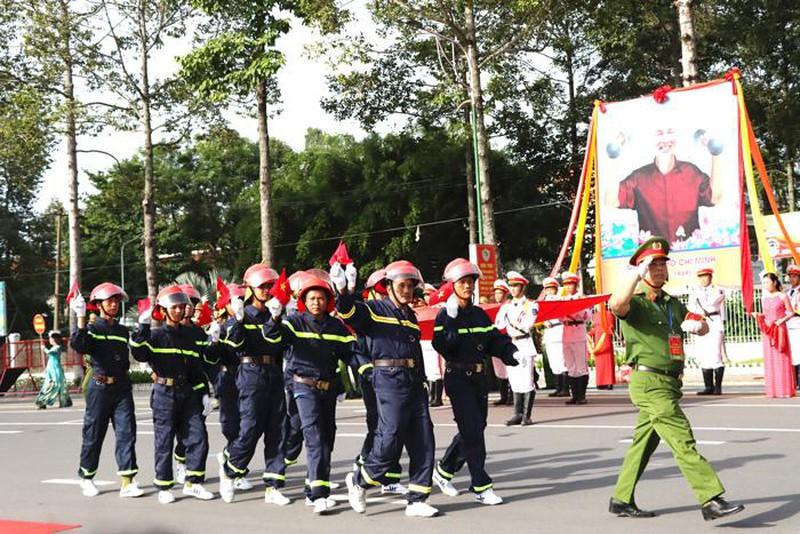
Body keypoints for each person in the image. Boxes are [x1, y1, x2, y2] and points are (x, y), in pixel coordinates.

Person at [608, 236, 744, 521]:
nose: (659, 269)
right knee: (682, 439)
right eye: (652, 265)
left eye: (662, 264)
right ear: (642, 269)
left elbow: (701, 322)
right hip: (649, 382)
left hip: (670, 382)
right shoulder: (636, 302)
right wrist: (635, 274)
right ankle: (710, 498)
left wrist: (699, 325)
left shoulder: (672, 303)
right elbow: (616, 305)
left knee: (643, 443)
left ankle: (621, 499)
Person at [336, 259, 439, 518]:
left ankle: (417, 498)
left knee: (423, 438)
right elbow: (350, 314)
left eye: (410, 286)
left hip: (414, 380)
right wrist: (344, 292)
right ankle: (360, 480)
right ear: (388, 286)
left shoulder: (410, 316)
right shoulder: (374, 309)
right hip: (388, 377)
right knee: (390, 436)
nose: (407, 290)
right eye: (401, 285)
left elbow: (415, 350)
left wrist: (424, 379)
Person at [431, 259, 519, 505]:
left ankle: (444, 470)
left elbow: (493, 340)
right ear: (453, 285)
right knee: (472, 431)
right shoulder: (445, 315)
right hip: (458, 378)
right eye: (463, 282)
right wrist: (449, 320)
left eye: (471, 281)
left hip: (479, 379)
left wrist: (510, 352)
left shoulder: (479, 314)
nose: (468, 286)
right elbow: (443, 346)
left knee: (475, 428)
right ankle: (481, 484)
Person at [271, 275, 357, 514]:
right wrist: (275, 318)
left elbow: (349, 352)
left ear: (328, 301)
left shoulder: (336, 326)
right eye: (312, 298)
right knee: (314, 435)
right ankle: (319, 495)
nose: (316, 302)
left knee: (328, 436)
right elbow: (273, 338)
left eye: (321, 298)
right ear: (304, 301)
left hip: (327, 388)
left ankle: (313, 487)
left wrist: (364, 371)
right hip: (302, 386)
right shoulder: (293, 322)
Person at [130, 285, 214, 504]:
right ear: (164, 310)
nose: (179, 310)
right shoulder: (156, 336)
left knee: (198, 437)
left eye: (181, 307)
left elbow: (196, 368)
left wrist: (204, 393)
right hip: (164, 393)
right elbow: (139, 353)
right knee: (164, 441)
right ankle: (164, 486)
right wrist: (142, 327)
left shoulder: (190, 336)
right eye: (174, 307)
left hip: (188, 393)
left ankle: (193, 483)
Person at [217, 264, 289, 505]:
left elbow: (280, 344)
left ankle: (273, 486)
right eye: (262, 287)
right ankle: (230, 470)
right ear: (250, 289)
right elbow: (233, 346)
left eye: (271, 286)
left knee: (278, 430)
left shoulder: (276, 313)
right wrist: (237, 321)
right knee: (249, 429)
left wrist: (277, 318)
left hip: (274, 373)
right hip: (250, 373)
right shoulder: (243, 314)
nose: (268, 291)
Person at [70, 283, 143, 499]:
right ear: (98, 304)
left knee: (127, 433)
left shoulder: (122, 331)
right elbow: (79, 345)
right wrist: (81, 318)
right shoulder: (93, 329)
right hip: (99, 387)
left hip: (121, 387)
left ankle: (128, 481)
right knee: (94, 434)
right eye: (109, 301)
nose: (113, 304)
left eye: (116, 301)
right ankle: (86, 477)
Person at [605, 122, 723, 244]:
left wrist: (716, 154)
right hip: (653, 259)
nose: (665, 139)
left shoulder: (691, 172)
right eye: (659, 133)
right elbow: (611, 201)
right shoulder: (638, 178)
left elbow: (715, 197)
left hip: (689, 258)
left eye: (670, 132)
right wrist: (614, 156)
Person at [351, 267, 408, 497]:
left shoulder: (392, 315)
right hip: (372, 377)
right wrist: (367, 370)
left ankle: (390, 477)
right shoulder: (368, 316)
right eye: (378, 291)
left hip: (391, 379)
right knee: (378, 426)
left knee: (393, 427)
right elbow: (357, 349)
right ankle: (365, 463)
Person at [494, 271, 537, 425]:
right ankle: (517, 413)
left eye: (516, 286)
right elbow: (499, 324)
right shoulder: (507, 306)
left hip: (525, 344)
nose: (512, 289)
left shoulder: (531, 305)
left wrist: (512, 322)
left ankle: (527, 415)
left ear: (522, 287)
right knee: (514, 380)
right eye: (510, 286)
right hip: (512, 344)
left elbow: (527, 325)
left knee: (526, 380)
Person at [752, 272, 795, 398]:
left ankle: (785, 390)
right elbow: (765, 315)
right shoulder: (763, 298)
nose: (765, 285)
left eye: (767, 282)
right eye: (763, 283)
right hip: (768, 331)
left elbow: (790, 312)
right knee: (770, 359)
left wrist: (781, 321)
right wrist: (758, 316)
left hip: (779, 329)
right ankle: (773, 390)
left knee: (782, 357)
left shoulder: (782, 296)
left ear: (774, 282)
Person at [688, 268, 727, 395]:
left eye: (706, 276)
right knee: (703, 354)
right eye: (700, 277)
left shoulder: (718, 290)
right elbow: (691, 306)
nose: (703, 279)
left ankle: (718, 386)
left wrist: (698, 293)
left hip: (714, 321)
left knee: (715, 354)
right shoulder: (695, 291)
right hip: (701, 322)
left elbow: (712, 302)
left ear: (711, 277)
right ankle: (708, 386)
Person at [560, 272, 592, 405]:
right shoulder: (562, 299)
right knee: (571, 366)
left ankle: (582, 395)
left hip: (578, 332)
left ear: (576, 285)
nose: (568, 287)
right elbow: (559, 317)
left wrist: (575, 307)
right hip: (566, 332)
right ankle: (574, 395)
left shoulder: (581, 298)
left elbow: (588, 315)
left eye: (570, 284)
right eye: (566, 284)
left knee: (581, 366)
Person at [540, 277, 570, 398]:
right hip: (549, 333)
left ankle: (565, 388)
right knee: (554, 362)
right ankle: (558, 387)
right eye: (547, 289)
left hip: (558, 330)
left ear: (556, 289)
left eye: (551, 289)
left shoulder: (559, 300)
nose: (549, 291)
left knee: (561, 361)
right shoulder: (543, 302)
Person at [35, 330, 72, 409]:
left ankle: (64, 402)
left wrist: (44, 348)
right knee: (48, 385)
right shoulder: (54, 347)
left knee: (56, 385)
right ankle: (42, 402)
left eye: (50, 338)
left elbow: (50, 353)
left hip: (55, 369)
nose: (49, 340)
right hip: (50, 369)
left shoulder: (58, 347)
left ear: (54, 339)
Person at [491, 279, 513, 406]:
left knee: (508, 367)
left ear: (505, 294)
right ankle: (503, 396)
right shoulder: (493, 307)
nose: (497, 296)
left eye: (500, 293)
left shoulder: (509, 306)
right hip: (495, 340)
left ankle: (511, 395)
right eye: (496, 293)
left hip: (506, 338)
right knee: (499, 369)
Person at [589, 307, 616, 390]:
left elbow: (611, 326)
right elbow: (594, 329)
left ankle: (608, 382)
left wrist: (610, 328)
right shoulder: (595, 315)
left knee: (607, 363)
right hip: (598, 342)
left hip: (605, 339)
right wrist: (589, 334)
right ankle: (600, 382)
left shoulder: (609, 314)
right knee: (599, 364)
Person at [785, 265, 800, 389]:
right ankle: (794, 381)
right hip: (789, 324)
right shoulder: (788, 292)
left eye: (794, 276)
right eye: (790, 276)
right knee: (792, 354)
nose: (792, 279)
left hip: (798, 323)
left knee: (798, 353)